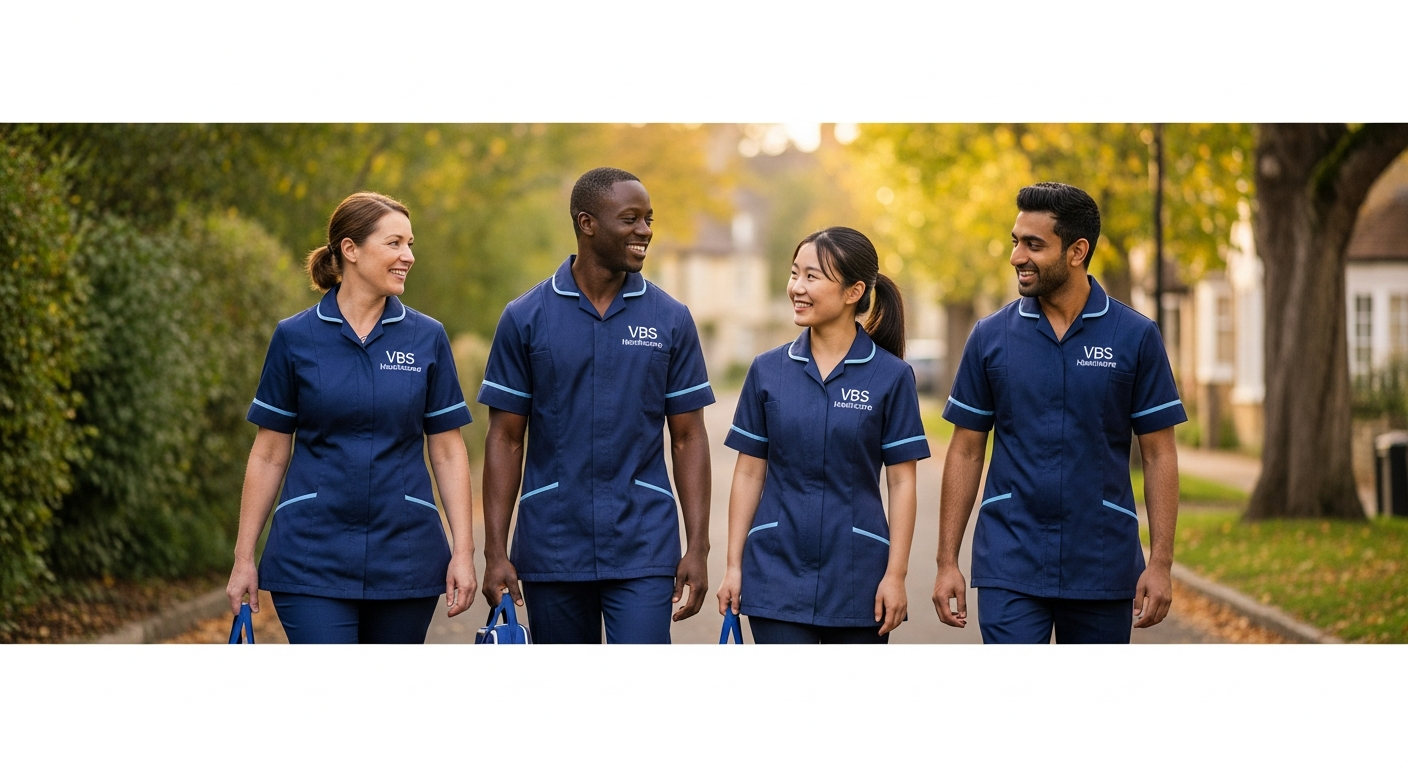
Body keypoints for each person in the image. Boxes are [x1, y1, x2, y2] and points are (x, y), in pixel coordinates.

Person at [932, 182, 1185, 644]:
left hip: (1103, 560)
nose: (1017, 257)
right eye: (1015, 242)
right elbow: (966, 451)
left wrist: (1161, 564)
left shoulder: (1135, 336)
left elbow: (1159, 454)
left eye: (1034, 245)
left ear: (1077, 251)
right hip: (1009, 558)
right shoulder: (990, 337)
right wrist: (947, 561)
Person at [225, 191, 477, 643]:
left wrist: (463, 551)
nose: (408, 256)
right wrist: (244, 557)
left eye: (410, 244)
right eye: (395, 243)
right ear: (351, 249)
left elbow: (447, 450)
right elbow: (268, 452)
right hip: (310, 554)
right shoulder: (295, 337)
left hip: (406, 553)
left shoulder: (427, 337)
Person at [476, 167, 714, 644]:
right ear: (587, 223)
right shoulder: (525, 317)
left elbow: (688, 438)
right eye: (630, 218)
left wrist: (698, 547)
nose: (645, 230)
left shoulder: (671, 318)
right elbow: (505, 437)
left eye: (648, 218)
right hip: (552, 544)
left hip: (643, 544)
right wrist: (495, 550)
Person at [717, 227, 929, 644]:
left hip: (859, 579)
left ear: (853, 292)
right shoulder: (768, 370)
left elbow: (902, 482)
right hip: (774, 572)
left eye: (812, 277)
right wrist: (734, 567)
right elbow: (748, 474)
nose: (796, 287)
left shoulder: (892, 376)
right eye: (795, 273)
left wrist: (895, 575)